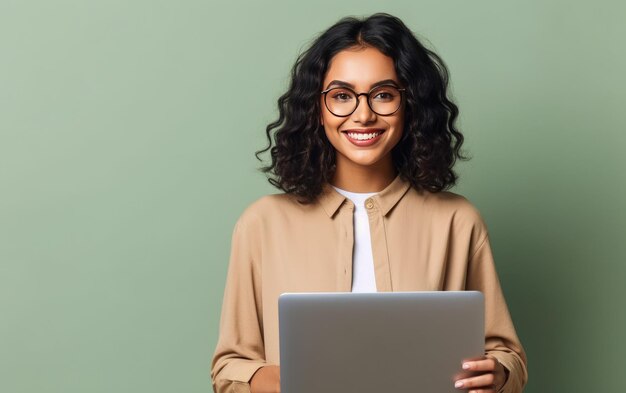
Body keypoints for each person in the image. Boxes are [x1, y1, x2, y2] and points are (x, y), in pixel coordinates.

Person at [211, 12, 527, 393]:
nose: (363, 114)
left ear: (410, 104)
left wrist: (499, 374)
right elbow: (229, 369)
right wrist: (289, 381)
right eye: (342, 95)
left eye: (383, 94)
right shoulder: (262, 223)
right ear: (317, 107)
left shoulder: (457, 220)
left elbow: (508, 356)